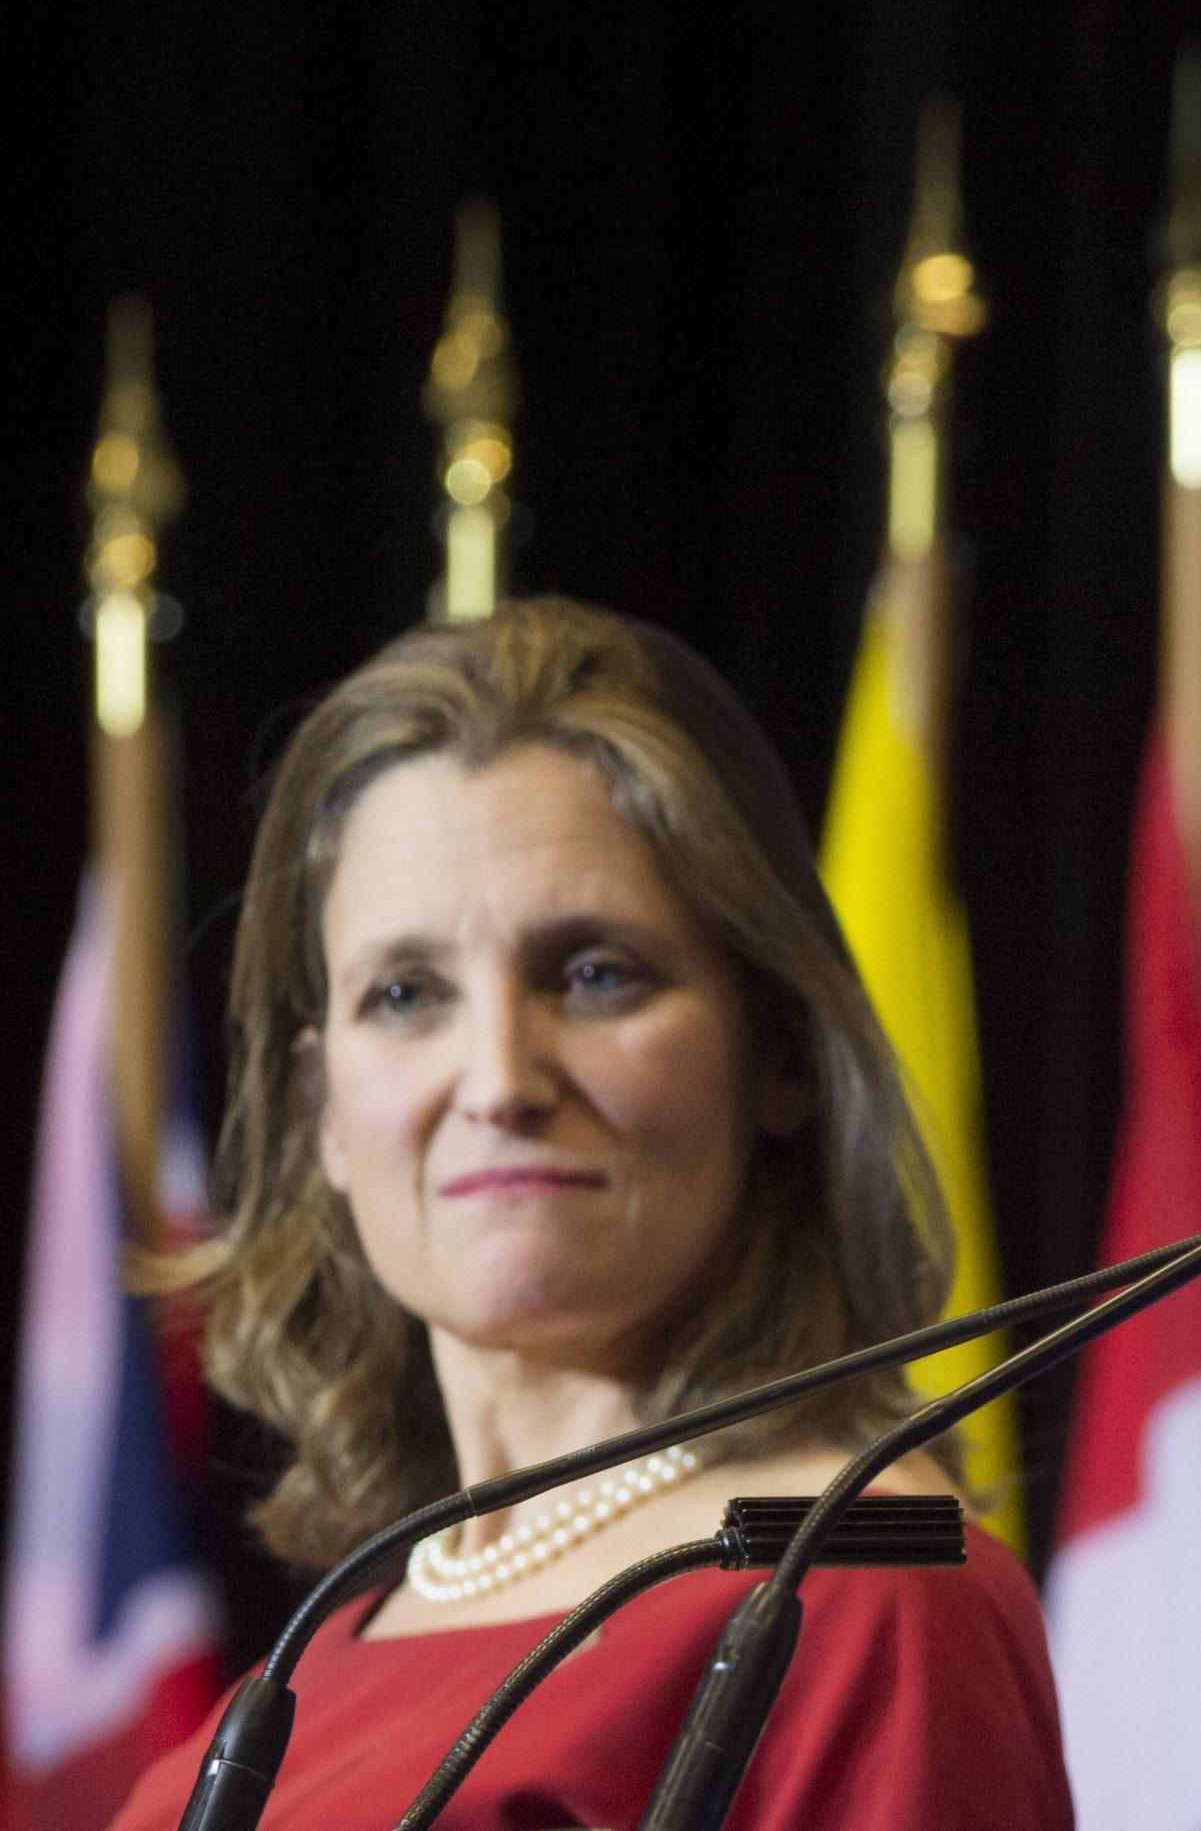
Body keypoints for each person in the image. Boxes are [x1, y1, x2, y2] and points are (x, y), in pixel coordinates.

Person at [109, 599, 1075, 1830]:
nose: (502, 1078)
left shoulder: (853, 1594)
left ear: (776, 1054)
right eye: (407, 994)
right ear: (322, 1113)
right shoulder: (288, 1684)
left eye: (594, 974)